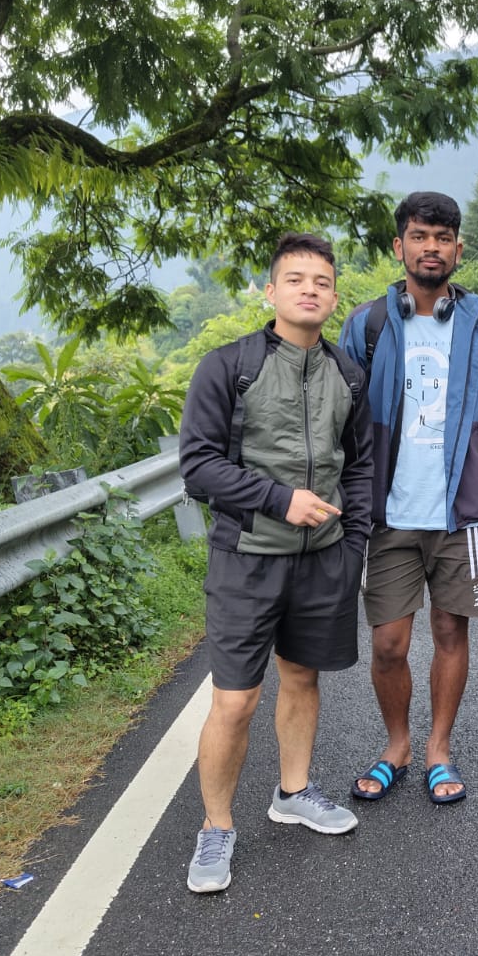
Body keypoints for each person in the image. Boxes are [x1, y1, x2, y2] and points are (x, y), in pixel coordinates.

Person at [178, 231, 373, 893]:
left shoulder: (348, 374)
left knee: (302, 679)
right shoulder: (227, 367)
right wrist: (276, 500)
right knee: (235, 701)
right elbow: (199, 467)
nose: (309, 289)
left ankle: (293, 792)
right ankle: (215, 828)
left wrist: (354, 545)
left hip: (321, 561)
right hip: (247, 560)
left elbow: (362, 463)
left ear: (335, 297)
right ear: (271, 292)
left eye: (321, 281)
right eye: (295, 279)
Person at [340, 192, 478, 805]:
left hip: (464, 514)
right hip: (389, 515)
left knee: (451, 630)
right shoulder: (367, 325)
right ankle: (397, 744)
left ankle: (438, 749)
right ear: (399, 246)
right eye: (419, 236)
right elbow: (345, 418)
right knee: (387, 642)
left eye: (442, 237)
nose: (431, 247)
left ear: (458, 248)